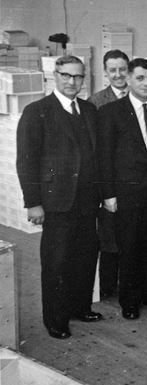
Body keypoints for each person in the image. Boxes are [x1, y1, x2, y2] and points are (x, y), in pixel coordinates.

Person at [16, 55, 103, 339]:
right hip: (56, 201)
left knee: (85, 257)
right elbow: (26, 161)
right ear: (55, 75)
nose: (72, 82)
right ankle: (55, 318)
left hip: (87, 200)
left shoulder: (89, 110)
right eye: (66, 75)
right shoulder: (37, 111)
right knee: (56, 261)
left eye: (78, 77)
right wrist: (33, 202)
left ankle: (80, 307)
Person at [98, 58, 147, 320]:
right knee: (130, 248)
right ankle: (130, 301)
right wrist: (108, 194)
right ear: (129, 79)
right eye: (141, 78)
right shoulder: (111, 112)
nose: (146, 83)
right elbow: (105, 157)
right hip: (128, 194)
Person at [88, 48, 130, 300]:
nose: (118, 75)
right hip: (109, 177)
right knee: (109, 236)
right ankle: (107, 286)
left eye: (122, 69)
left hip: (132, 178)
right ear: (105, 73)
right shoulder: (96, 102)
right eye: (112, 70)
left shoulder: (140, 95)